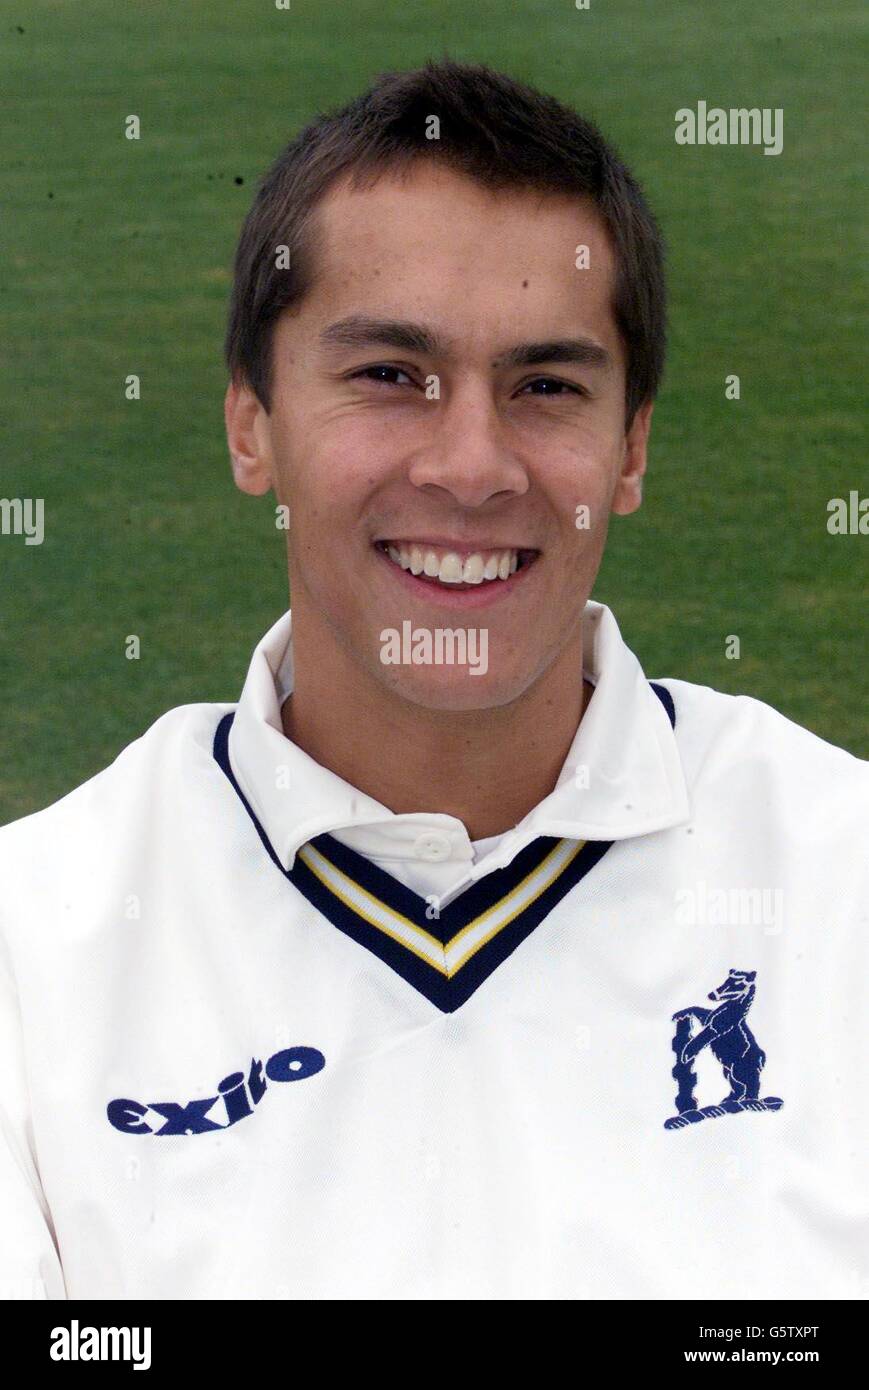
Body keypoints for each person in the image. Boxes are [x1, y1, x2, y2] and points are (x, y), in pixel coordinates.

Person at [1, 61, 866, 1301]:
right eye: (388, 376)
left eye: (545, 387)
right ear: (251, 423)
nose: (472, 466)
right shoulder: (33, 951)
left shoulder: (842, 880)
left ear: (630, 447)